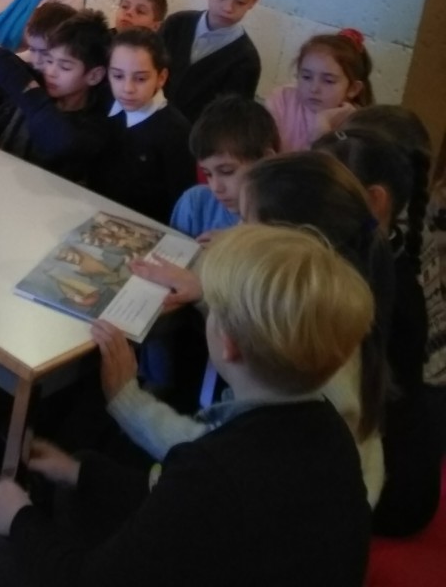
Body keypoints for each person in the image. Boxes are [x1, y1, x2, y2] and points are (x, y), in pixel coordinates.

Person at [0, 223, 374, 587]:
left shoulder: (214, 471)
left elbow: (93, 579)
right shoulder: (329, 431)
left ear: (228, 344)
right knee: (85, 477)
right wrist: (80, 473)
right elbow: (186, 507)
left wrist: (18, 517)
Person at [127, 152, 390, 507]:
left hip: (287, 511)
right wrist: (204, 292)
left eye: (245, 223)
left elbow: (216, 449)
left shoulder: (311, 379)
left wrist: (126, 400)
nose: (232, 234)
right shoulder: (329, 315)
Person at [316, 124, 440, 536]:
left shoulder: (376, 287)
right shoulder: (379, 257)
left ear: (373, 200)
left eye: (321, 193)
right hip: (381, 463)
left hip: (390, 485)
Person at [0, 10, 111, 182]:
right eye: (49, 61)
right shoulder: (35, 83)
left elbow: (60, 142)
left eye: (65, 67)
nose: (50, 72)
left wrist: (30, 92)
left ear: (94, 76)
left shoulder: (95, 125)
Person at [90, 29, 193, 223]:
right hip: (93, 211)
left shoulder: (175, 131)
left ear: (161, 78)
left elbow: (180, 201)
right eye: (118, 76)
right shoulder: (102, 103)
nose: (127, 88)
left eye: (140, 79)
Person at [159, 0, 262, 123]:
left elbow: (229, 120)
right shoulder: (176, 24)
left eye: (240, 2)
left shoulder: (246, 60)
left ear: (254, 0)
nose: (228, 8)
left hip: (196, 137)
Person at [170, 94, 281, 239]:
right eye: (208, 174)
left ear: (266, 161)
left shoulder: (283, 223)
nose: (216, 187)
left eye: (227, 171)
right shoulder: (195, 203)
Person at [264, 29, 373, 151]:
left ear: (353, 89)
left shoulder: (356, 126)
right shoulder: (281, 99)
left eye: (328, 81)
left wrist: (322, 128)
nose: (314, 88)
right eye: (306, 77)